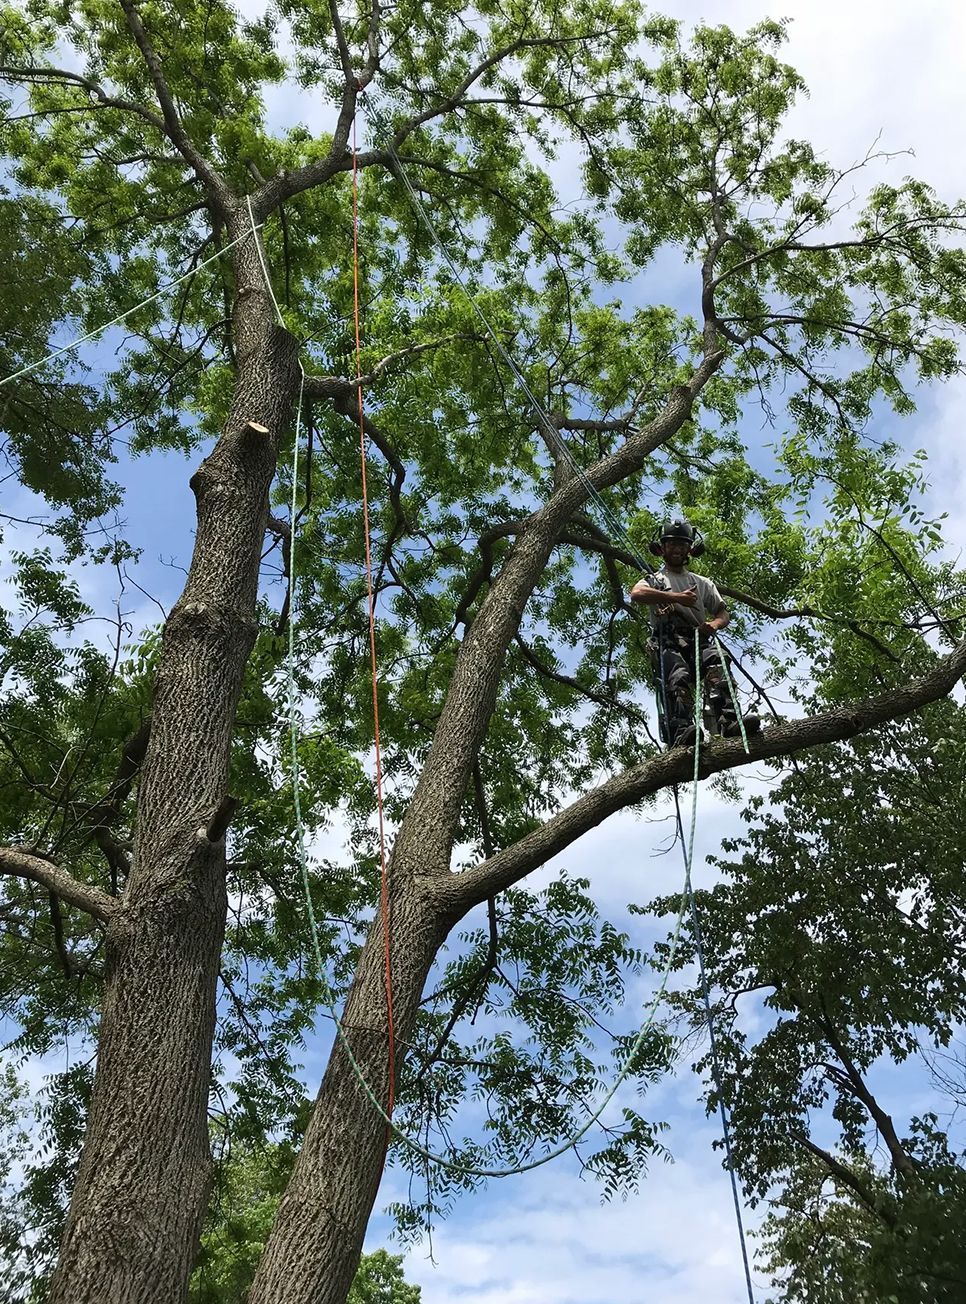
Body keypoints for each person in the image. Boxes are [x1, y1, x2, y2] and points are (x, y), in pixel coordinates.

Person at [629, 518, 758, 746]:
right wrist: (676, 598)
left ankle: (728, 721)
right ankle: (682, 731)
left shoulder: (701, 583)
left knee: (717, 661)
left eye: (682, 544)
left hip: (698, 637)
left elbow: (722, 613)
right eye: (671, 544)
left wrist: (714, 625)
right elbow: (636, 594)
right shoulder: (655, 580)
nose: (677, 549)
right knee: (677, 675)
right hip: (668, 638)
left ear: (690, 549)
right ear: (662, 548)